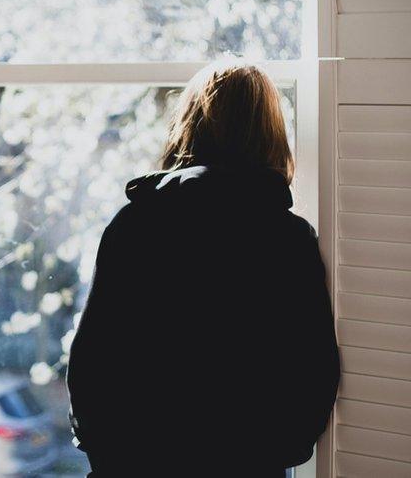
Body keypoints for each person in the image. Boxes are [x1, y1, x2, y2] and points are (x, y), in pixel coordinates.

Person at [66, 61, 340, 478]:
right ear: (270, 134)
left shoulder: (136, 223)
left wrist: (109, 457)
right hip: (245, 462)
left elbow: (93, 360)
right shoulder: (287, 237)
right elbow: (312, 368)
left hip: (135, 460)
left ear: (189, 125)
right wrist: (274, 452)